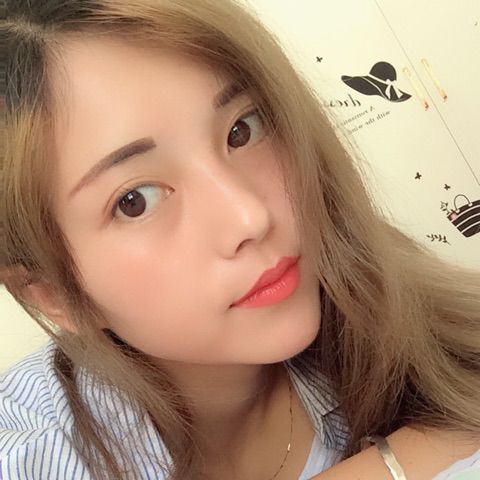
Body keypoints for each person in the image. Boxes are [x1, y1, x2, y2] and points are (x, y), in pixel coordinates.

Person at [1, 1, 479, 479]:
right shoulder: (33, 450)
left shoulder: (383, 302)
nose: (250, 216)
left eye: (242, 130)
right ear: (52, 295)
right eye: (135, 201)